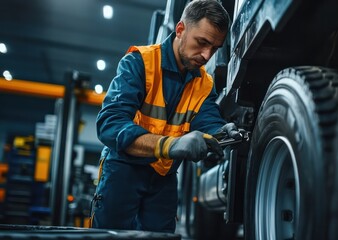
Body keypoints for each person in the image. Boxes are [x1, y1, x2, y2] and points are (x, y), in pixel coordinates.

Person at [90, 0, 239, 233]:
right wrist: (170, 145)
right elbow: (110, 124)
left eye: (215, 48)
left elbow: (207, 120)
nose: (207, 55)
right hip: (123, 170)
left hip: (162, 177)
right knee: (109, 235)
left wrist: (222, 133)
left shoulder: (203, 83)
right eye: (202, 43)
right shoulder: (140, 63)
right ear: (180, 29)